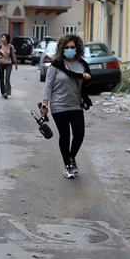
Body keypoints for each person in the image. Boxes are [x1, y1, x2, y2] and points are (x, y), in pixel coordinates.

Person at [40, 34, 92, 179]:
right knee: (65, 135)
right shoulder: (56, 65)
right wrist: (45, 105)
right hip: (59, 106)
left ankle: (71, 157)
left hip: (76, 105)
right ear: (62, 49)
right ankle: (68, 165)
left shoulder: (82, 65)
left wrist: (87, 78)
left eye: (73, 47)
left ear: (77, 48)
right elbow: (48, 86)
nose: (70, 50)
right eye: (67, 47)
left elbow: (85, 85)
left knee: (79, 134)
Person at [0, 33, 17, 99]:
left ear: (7, 38)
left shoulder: (11, 47)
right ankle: (3, 92)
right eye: (1, 37)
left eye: (3, 37)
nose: (2, 39)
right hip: (1, 63)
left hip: (9, 63)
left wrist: (16, 63)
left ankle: (6, 92)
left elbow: (13, 55)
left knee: (7, 78)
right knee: (1, 79)